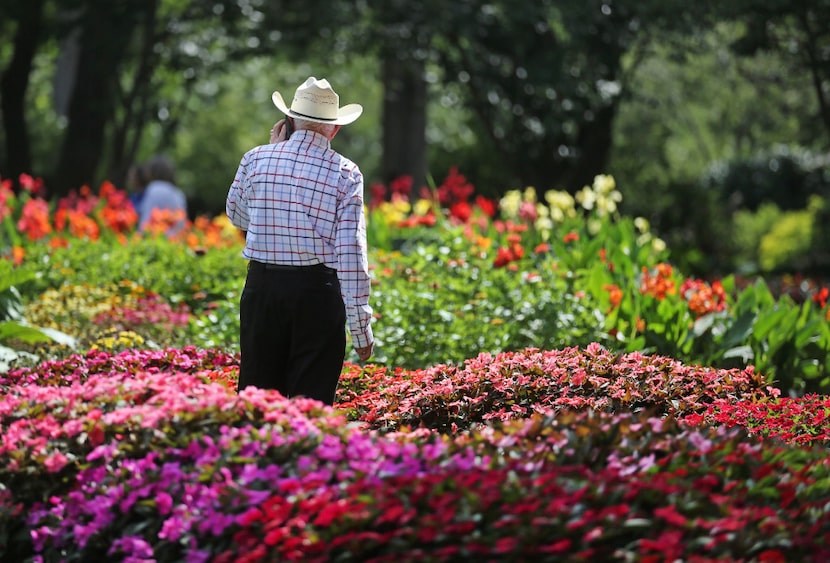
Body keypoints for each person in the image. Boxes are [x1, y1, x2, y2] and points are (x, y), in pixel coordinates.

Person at [226, 76, 374, 405]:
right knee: (311, 405)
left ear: (289, 120)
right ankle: (303, 457)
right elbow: (351, 254)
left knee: (256, 401)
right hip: (317, 295)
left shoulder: (255, 159)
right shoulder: (346, 173)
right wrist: (361, 329)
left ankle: (256, 457)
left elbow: (236, 215)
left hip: (263, 287)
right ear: (334, 129)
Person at [136, 155, 188, 235]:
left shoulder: (153, 188)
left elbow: (146, 222)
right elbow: (182, 224)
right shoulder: (178, 193)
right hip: (176, 241)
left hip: (156, 238)